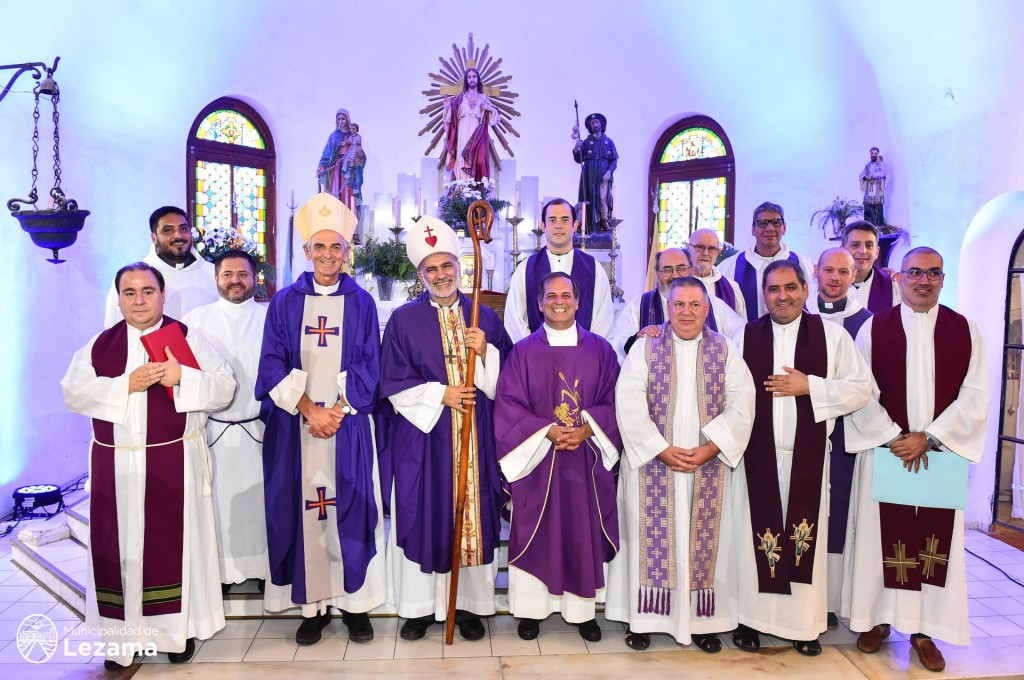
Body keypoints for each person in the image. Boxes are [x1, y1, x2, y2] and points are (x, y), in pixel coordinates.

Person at [62, 262, 235, 669]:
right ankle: (121, 642)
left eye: (147, 291)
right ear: (118, 297)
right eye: (129, 292)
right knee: (119, 555)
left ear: (162, 294)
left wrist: (181, 377)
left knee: (174, 547)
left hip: (173, 459)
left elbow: (225, 386)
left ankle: (176, 636)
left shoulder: (187, 338)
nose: (139, 300)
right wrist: (127, 384)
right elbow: (73, 393)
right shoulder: (98, 346)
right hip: (117, 468)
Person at [844, 247, 988, 673]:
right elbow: (860, 391)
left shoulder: (965, 330)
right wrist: (894, 437)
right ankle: (879, 620)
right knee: (879, 539)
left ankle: (924, 631)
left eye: (933, 273)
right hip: (887, 450)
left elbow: (976, 395)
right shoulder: (874, 328)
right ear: (899, 278)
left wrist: (930, 437)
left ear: (943, 279)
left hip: (938, 456)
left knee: (931, 545)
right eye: (915, 273)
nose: (924, 281)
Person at [255, 192, 385, 645]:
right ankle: (312, 608)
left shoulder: (363, 303)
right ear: (307, 252)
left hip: (347, 426)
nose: (328, 256)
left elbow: (371, 364)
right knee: (302, 509)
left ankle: (354, 606)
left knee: (351, 506)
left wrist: (340, 411)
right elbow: (271, 363)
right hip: (299, 428)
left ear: (347, 253)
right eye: (320, 247)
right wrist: (310, 410)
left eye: (337, 248)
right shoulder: (285, 303)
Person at [379, 216, 513, 641]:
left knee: (474, 515)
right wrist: (443, 395)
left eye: (447, 267)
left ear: (460, 268)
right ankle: (419, 609)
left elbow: (508, 381)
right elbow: (392, 381)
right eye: (431, 269)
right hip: (426, 440)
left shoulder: (485, 318)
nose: (440, 275)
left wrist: (486, 350)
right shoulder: (402, 320)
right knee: (425, 513)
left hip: (477, 439)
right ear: (421, 275)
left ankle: (470, 607)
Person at [608, 277, 755, 652]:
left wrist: (711, 448)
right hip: (653, 467)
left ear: (707, 309)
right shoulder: (645, 348)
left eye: (694, 305)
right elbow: (628, 400)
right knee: (647, 542)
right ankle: (642, 620)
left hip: (709, 466)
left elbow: (743, 403)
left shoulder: (726, 350)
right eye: (678, 305)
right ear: (667, 309)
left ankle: (705, 621)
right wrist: (658, 448)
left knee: (705, 545)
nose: (686, 312)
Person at [732, 260, 871, 657]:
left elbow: (861, 389)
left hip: (807, 460)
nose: (782, 296)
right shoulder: (742, 335)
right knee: (752, 539)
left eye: (790, 287)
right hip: (754, 461)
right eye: (774, 289)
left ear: (805, 290)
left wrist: (808, 385)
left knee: (803, 540)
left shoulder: (832, 337)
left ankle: (803, 626)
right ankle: (751, 621)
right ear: (764, 294)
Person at [495, 272, 622, 642]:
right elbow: (507, 404)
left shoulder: (601, 350)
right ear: (539, 304)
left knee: (581, 529)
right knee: (536, 529)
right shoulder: (522, 352)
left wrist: (587, 429)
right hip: (538, 463)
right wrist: (546, 430)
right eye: (551, 296)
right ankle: (531, 611)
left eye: (566, 295)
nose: (559, 301)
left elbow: (617, 402)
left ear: (578, 302)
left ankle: (583, 612)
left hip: (585, 461)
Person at [182, 249, 272, 594]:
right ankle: (218, 575)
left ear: (254, 278)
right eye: (227, 274)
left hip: (258, 428)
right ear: (216, 278)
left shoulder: (270, 318)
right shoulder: (195, 320)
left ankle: (263, 570)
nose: (235, 281)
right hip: (214, 430)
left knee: (260, 504)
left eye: (243, 274)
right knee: (216, 506)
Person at [812, 248, 873, 628]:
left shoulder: (869, 323)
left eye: (844, 271)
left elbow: (869, 385)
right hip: (802, 435)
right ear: (815, 272)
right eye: (829, 270)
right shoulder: (788, 315)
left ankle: (833, 598)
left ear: (856, 276)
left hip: (848, 436)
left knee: (841, 516)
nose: (835, 278)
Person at [503, 198, 613, 343]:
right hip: (536, 357)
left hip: (582, 358)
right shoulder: (525, 269)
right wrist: (532, 350)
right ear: (543, 226)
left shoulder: (593, 268)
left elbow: (603, 317)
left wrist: (588, 350)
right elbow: (514, 318)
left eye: (565, 220)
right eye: (552, 220)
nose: (558, 226)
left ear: (575, 225)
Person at [607, 247, 744, 362]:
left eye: (681, 268)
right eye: (667, 270)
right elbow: (614, 344)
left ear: (690, 270)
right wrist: (635, 339)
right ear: (657, 274)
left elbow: (740, 335)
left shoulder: (712, 304)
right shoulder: (639, 306)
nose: (675, 275)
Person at [103, 206, 219, 327]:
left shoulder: (214, 274)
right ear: (154, 238)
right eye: (168, 230)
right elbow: (115, 330)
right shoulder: (132, 279)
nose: (178, 235)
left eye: (184, 228)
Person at [717, 202, 815, 321]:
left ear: (784, 228)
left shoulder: (805, 265)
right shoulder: (729, 267)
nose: (770, 228)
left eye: (776, 222)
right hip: (747, 338)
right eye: (762, 223)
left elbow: (814, 307)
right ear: (753, 229)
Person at [442, 67, 497, 182]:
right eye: (469, 77)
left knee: (479, 160)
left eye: (474, 76)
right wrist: (447, 107)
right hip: (462, 132)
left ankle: (476, 189)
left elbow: (493, 120)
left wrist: (489, 108)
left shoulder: (483, 99)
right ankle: (463, 189)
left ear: (478, 79)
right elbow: (449, 119)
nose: (472, 79)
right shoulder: (460, 99)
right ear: (466, 80)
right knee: (462, 159)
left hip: (478, 133)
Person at [572, 113, 619, 231]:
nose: (594, 125)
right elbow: (579, 160)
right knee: (589, 198)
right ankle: (589, 226)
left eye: (596, 122)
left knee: (602, 198)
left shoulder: (609, 141)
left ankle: (604, 220)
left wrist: (609, 172)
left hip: (603, 172)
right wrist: (576, 149)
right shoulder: (586, 142)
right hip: (589, 173)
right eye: (592, 123)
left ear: (601, 124)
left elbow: (614, 160)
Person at [688, 227, 746, 320]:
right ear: (688, 248)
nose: (706, 253)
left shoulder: (731, 288)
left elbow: (741, 328)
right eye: (699, 247)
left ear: (718, 253)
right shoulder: (676, 284)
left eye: (712, 249)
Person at [842, 220, 900, 312]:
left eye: (869, 245)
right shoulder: (830, 284)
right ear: (842, 249)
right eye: (855, 245)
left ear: (877, 252)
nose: (863, 251)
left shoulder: (892, 286)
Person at [317, 109, 359, 207]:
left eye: (343, 119)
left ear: (347, 119)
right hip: (336, 168)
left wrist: (356, 160)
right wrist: (322, 166)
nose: (341, 121)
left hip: (348, 167)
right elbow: (327, 152)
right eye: (339, 119)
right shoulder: (334, 136)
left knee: (348, 192)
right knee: (335, 190)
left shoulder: (353, 136)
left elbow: (359, 153)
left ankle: (348, 214)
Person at [859, 146, 888, 226]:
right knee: (868, 207)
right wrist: (865, 177)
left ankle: (879, 226)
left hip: (878, 190)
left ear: (878, 154)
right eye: (872, 153)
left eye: (875, 153)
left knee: (878, 207)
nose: (873, 155)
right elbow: (862, 174)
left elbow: (885, 173)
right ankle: (868, 226)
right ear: (870, 154)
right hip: (869, 190)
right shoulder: (867, 165)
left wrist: (875, 176)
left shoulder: (881, 164)